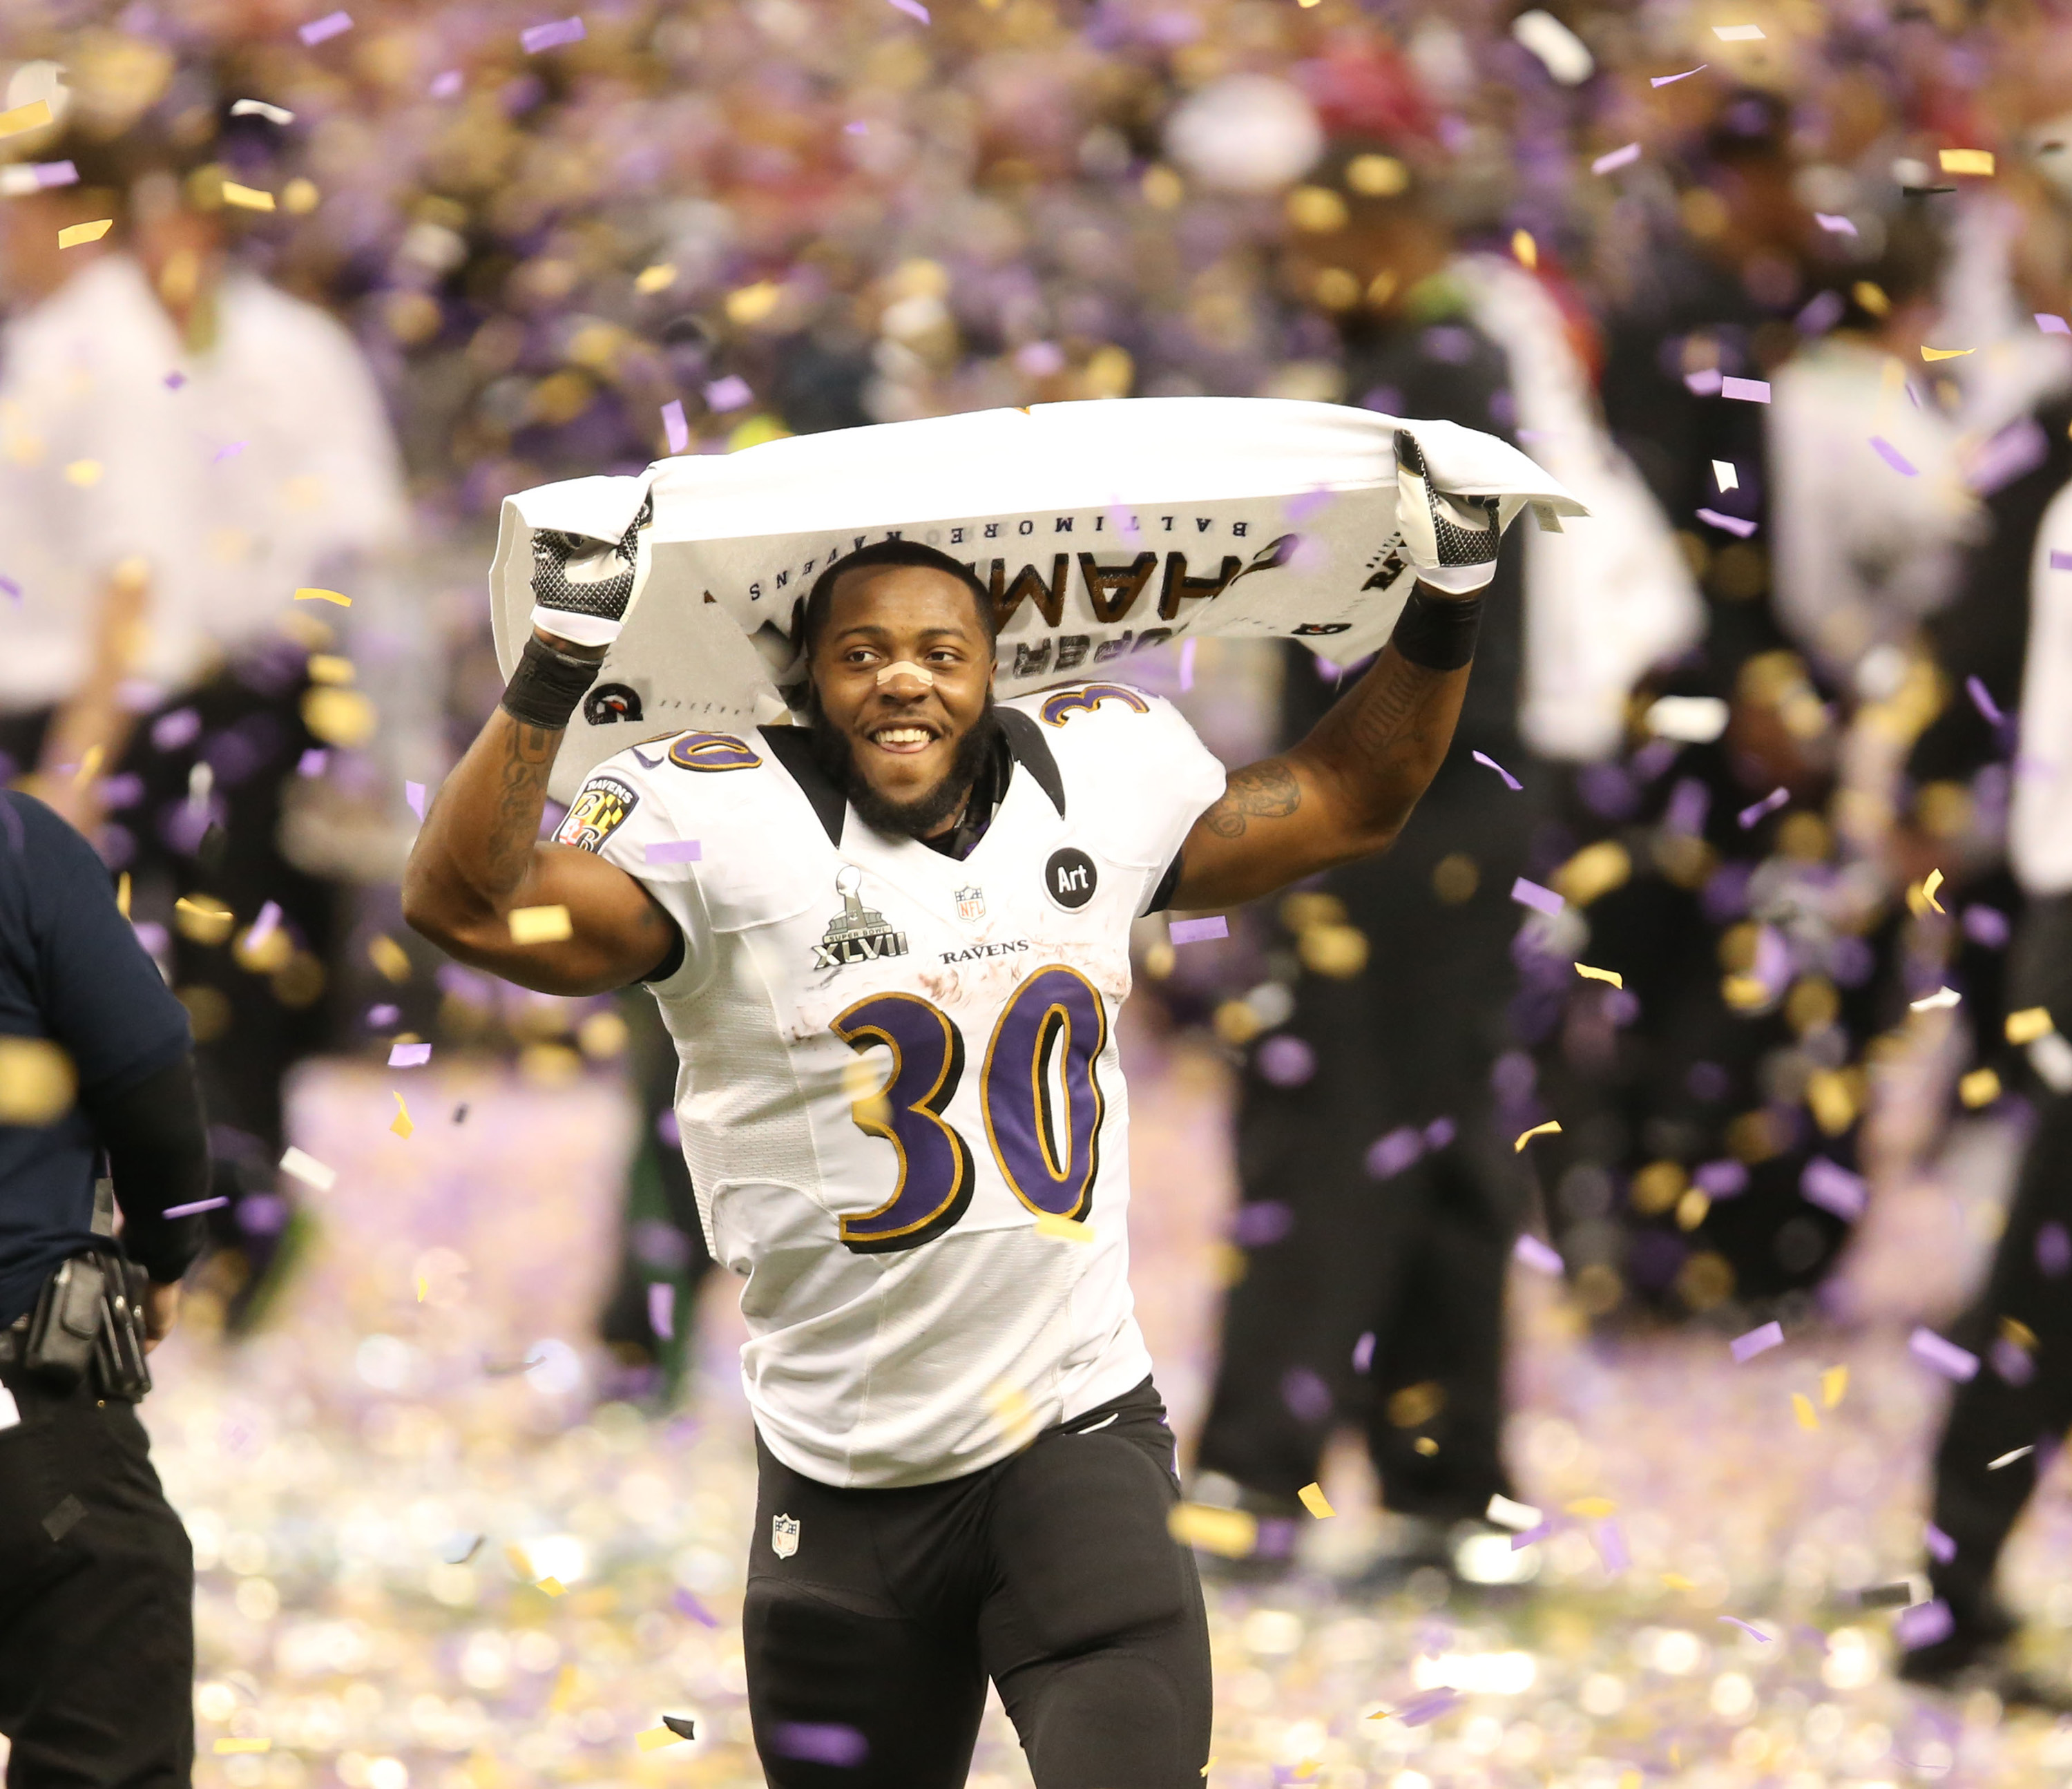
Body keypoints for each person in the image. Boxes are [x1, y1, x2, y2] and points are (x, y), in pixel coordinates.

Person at [402, 430, 1515, 1786]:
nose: (903, 678)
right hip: (839, 1476)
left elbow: (1350, 796)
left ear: (999, 669)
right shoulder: (724, 818)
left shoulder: (1096, 780)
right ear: (806, 682)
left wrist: (1446, 601)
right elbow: (464, 901)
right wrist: (559, 655)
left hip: (1073, 1438)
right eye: (860, 652)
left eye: (940, 647)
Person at [1189, 136, 1539, 1584]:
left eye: (1323, 229)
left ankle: (1257, 1473)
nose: (1298, 262)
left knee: (1324, 1134)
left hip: (1391, 812)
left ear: (1392, 227)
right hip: (1460, 814)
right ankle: (1443, 1480)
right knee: (1443, 1142)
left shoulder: (1428, 377)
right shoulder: (1455, 359)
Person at [0, 789, 211, 1787]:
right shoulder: (18, 844)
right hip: (22, 1410)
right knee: (105, 1690)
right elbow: (157, 1103)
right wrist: (164, 1262)